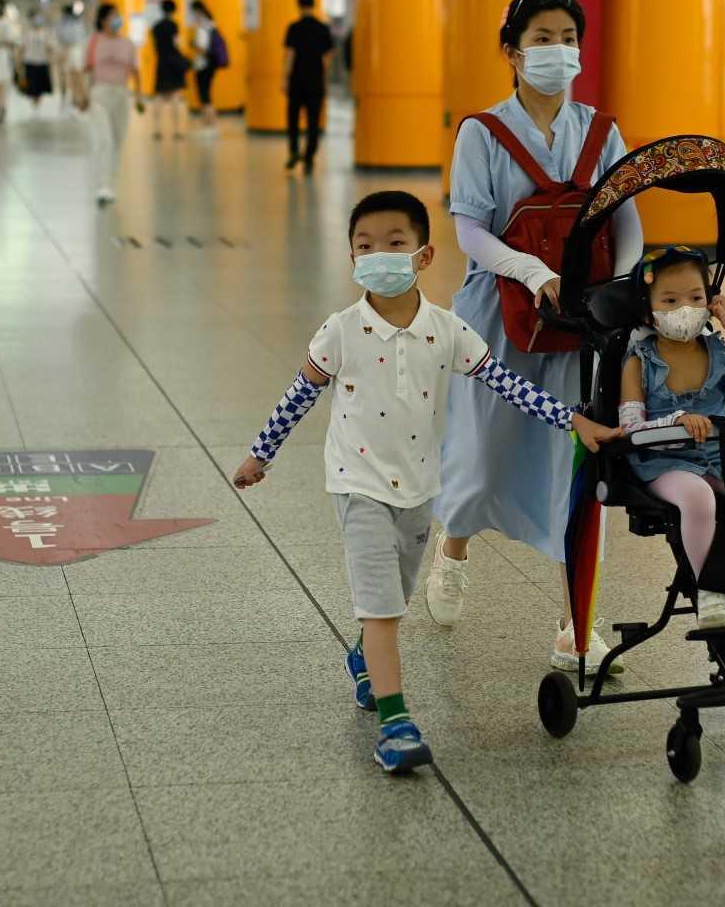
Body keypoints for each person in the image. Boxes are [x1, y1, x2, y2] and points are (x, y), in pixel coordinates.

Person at [232, 190, 618, 774]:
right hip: (356, 483)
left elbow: (507, 384)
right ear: (351, 258)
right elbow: (299, 395)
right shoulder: (339, 331)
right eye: (365, 247)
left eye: (395, 244)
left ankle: (364, 656)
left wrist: (572, 420)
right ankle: (396, 723)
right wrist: (261, 456)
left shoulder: (448, 330)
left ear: (424, 255)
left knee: (398, 594)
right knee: (382, 608)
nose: (379, 255)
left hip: (418, 486)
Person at [426, 0, 644, 673]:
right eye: (542, 38)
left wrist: (613, 294)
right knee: (484, 448)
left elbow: (628, 226)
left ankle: (573, 621)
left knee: (572, 463)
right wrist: (529, 271)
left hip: (579, 325)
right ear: (511, 51)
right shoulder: (479, 132)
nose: (557, 51)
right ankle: (453, 549)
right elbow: (468, 230)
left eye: (566, 37)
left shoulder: (603, 131)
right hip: (500, 315)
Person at [620, 247, 725, 629]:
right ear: (648, 310)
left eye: (696, 298)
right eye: (671, 300)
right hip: (663, 463)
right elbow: (630, 429)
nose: (685, 309)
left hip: (720, 458)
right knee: (697, 497)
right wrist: (677, 421)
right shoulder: (638, 361)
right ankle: (706, 587)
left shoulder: (720, 351)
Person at [81, 3, 140, 205]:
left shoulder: (128, 43)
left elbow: (135, 70)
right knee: (103, 138)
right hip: (99, 93)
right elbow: (86, 69)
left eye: (118, 15)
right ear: (103, 20)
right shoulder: (94, 42)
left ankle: (111, 183)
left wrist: (139, 97)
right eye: (113, 16)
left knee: (117, 140)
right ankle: (102, 185)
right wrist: (83, 95)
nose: (117, 20)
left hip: (122, 94)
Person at [283, 0, 335, 173]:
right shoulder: (323, 28)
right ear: (314, 5)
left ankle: (294, 151)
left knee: (293, 120)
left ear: (299, 5)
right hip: (315, 81)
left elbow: (290, 54)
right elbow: (328, 55)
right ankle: (309, 159)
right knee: (313, 122)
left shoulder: (293, 27)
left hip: (297, 80)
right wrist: (323, 76)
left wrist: (285, 79)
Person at [148, 0, 189, 141]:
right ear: (173, 10)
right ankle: (177, 130)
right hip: (174, 64)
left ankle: (156, 129)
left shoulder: (156, 27)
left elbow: (155, 46)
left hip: (162, 63)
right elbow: (176, 44)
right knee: (176, 96)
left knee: (159, 96)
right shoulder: (173, 25)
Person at [188, 0, 224, 137]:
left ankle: (210, 126)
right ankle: (208, 125)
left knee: (205, 96)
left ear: (198, 11)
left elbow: (202, 48)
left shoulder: (202, 26)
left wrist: (193, 44)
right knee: (206, 94)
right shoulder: (211, 24)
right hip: (210, 64)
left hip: (203, 64)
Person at [18, 7, 55, 110]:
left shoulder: (46, 33)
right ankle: (34, 104)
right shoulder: (27, 33)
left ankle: (38, 104)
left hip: (42, 62)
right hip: (30, 62)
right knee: (32, 87)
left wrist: (52, 59)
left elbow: (50, 47)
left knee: (40, 87)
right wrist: (19, 62)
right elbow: (22, 48)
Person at [57, 1, 90, 109]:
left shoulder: (76, 22)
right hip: (70, 50)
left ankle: (82, 98)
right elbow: (61, 37)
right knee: (72, 76)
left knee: (78, 76)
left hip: (75, 50)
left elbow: (70, 38)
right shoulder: (64, 23)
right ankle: (76, 97)